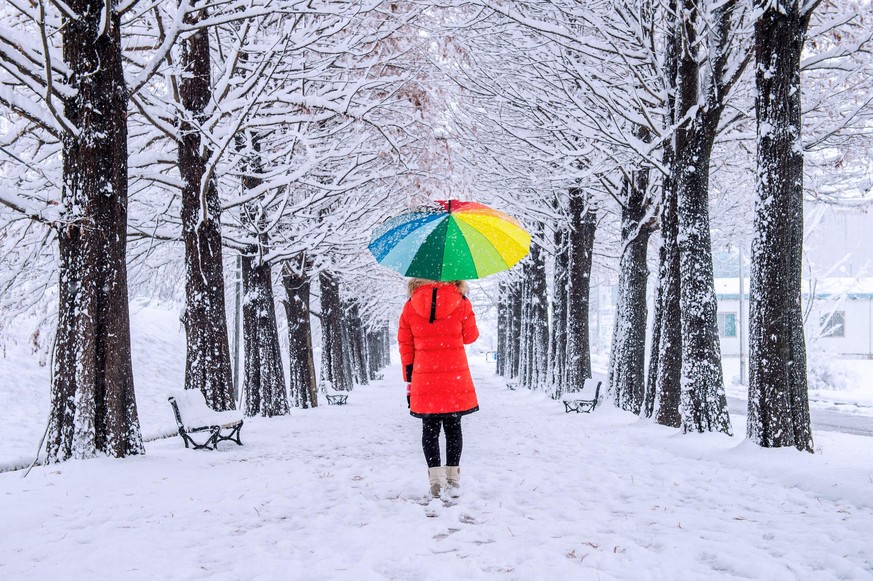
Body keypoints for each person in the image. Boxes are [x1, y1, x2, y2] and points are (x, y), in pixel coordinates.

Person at [397, 278, 479, 498]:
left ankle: (436, 482)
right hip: (455, 375)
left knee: (430, 429)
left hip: (425, 377)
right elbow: (471, 337)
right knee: (454, 427)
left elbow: (405, 346)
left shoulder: (410, 305)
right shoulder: (461, 301)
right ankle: (453, 480)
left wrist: (410, 380)